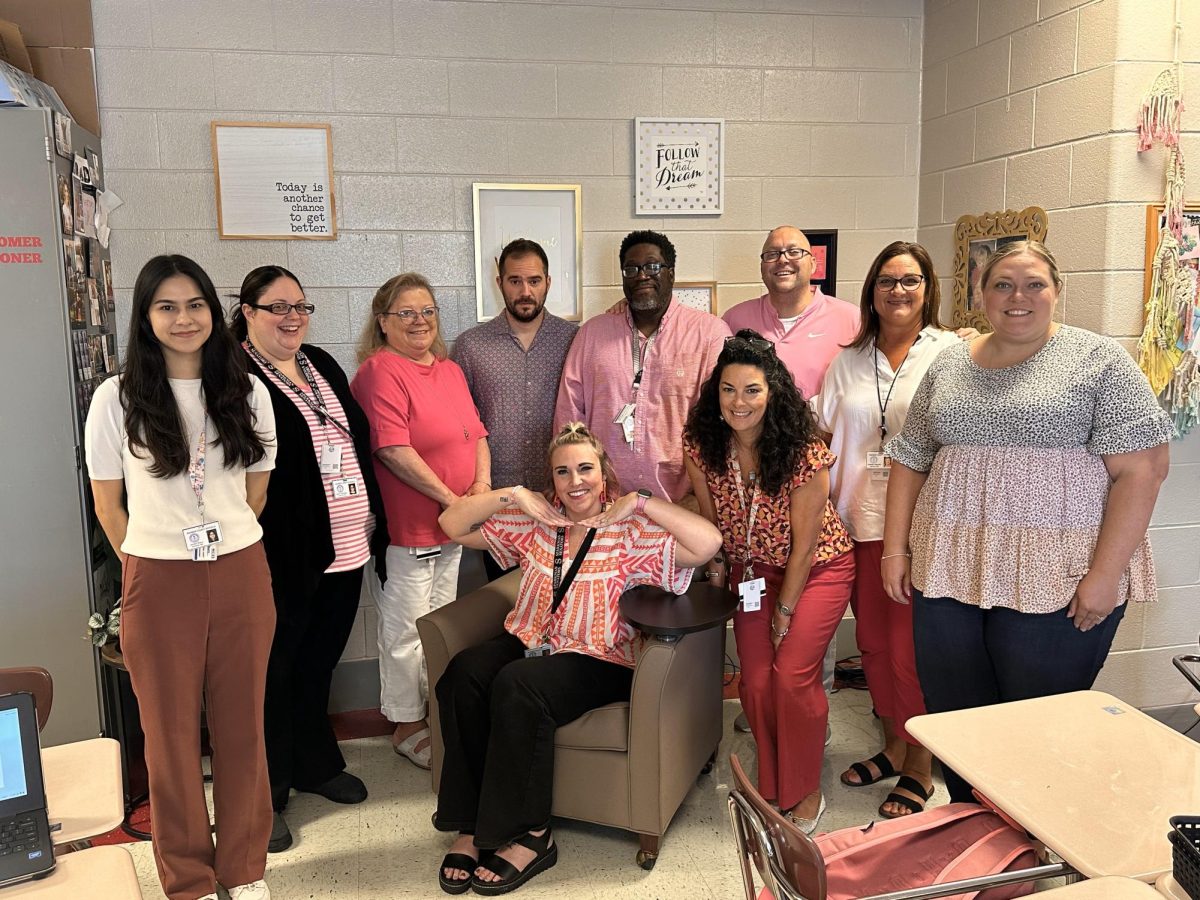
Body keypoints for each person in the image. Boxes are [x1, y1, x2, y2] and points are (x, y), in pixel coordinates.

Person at [882, 241, 1173, 803]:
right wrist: (895, 550)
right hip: (950, 569)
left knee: (1036, 725)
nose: (1019, 297)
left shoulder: (1098, 361)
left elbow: (1145, 470)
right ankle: (975, 834)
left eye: (1034, 284)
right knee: (957, 720)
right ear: (979, 294)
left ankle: (1029, 843)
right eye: (1002, 285)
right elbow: (912, 453)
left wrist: (1105, 576)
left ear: (1056, 291)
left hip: (1056, 576)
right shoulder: (950, 361)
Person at [433, 422, 722, 894]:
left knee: (519, 684)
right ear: (552, 481)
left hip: (598, 656)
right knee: (465, 672)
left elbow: (708, 543)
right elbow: (451, 525)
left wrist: (641, 502)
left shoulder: (629, 530)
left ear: (603, 474)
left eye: (585, 468)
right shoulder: (536, 523)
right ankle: (470, 825)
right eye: (563, 472)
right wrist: (514, 495)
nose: (575, 481)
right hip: (531, 638)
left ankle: (532, 834)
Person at [85, 255, 277, 900]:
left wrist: (219, 541)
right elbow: (109, 505)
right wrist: (151, 557)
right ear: (145, 317)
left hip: (240, 573)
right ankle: (188, 879)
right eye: (166, 306)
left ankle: (244, 870)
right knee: (167, 741)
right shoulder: (117, 398)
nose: (183, 318)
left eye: (195, 304)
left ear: (213, 313)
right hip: (156, 578)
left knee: (241, 729)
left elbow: (256, 493)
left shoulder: (246, 390)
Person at [232, 265, 390, 852]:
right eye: (277, 307)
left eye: (300, 305)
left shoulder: (321, 362)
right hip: (284, 554)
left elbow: (350, 439)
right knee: (270, 674)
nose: (292, 317)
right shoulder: (236, 375)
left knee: (316, 664)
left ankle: (314, 765)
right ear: (247, 312)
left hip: (345, 548)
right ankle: (266, 794)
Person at [813, 241, 962, 818]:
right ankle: (893, 747)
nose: (898, 291)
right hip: (855, 523)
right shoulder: (847, 360)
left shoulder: (952, 354)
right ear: (870, 291)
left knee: (910, 651)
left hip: (921, 529)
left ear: (929, 288)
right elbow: (822, 439)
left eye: (911, 280)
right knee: (873, 646)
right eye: (886, 281)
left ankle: (921, 769)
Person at [684, 331, 854, 834]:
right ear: (716, 395)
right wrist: (718, 578)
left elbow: (804, 547)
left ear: (772, 392)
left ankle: (804, 788)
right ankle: (775, 772)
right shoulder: (702, 449)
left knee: (793, 674)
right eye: (729, 390)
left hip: (818, 567)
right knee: (756, 680)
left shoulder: (802, 453)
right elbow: (713, 529)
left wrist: (784, 613)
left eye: (752, 390)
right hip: (752, 572)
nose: (740, 402)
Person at [350, 273, 490, 771]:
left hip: (451, 527)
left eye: (427, 311)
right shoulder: (379, 372)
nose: (419, 321)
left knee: (437, 623)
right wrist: (455, 499)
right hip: (408, 530)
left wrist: (479, 491)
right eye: (405, 313)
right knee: (405, 630)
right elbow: (391, 449)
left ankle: (431, 711)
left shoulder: (448, 370)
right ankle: (406, 724)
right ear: (382, 321)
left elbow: (476, 434)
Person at [555, 230, 730, 504]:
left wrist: (703, 495)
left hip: (681, 503)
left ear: (671, 273)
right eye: (631, 269)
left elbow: (721, 422)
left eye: (652, 266)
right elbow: (569, 418)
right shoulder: (592, 334)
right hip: (603, 504)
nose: (641, 275)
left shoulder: (708, 334)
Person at [453, 238, 578, 580]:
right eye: (515, 281)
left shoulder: (574, 340)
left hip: (562, 498)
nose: (525, 291)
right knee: (504, 604)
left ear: (548, 283)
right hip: (498, 504)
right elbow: (460, 425)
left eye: (534, 281)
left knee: (559, 599)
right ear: (500, 284)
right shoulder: (470, 346)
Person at [723, 226, 860, 401]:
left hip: (823, 429)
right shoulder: (734, 320)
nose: (783, 260)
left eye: (794, 252)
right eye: (772, 254)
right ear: (762, 268)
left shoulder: (851, 320)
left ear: (812, 264)